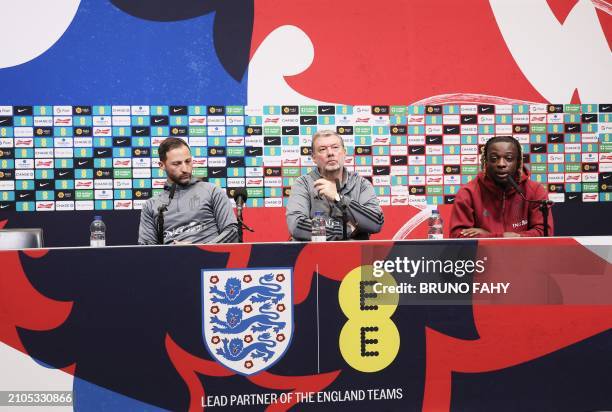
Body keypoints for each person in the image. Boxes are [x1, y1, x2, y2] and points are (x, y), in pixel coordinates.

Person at [286, 130, 384, 240]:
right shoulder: (303, 184)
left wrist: (339, 199)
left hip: (353, 254)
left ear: (344, 152)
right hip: (314, 254)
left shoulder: (361, 184)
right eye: (322, 149)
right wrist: (344, 230)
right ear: (313, 157)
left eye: (335, 147)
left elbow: (376, 222)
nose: (330, 153)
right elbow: (297, 225)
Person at [138, 138, 238, 244]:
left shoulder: (212, 191)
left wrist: (196, 251)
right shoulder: (150, 206)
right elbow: (146, 251)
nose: (185, 169)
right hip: (171, 259)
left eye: (188, 161)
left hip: (212, 258)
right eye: (177, 164)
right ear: (162, 165)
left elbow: (232, 232)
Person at [449, 135, 553, 238]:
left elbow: (544, 232)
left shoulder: (535, 191)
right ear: (486, 162)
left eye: (509, 158)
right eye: (494, 158)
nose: (501, 164)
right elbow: (457, 236)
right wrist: (501, 237)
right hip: (484, 254)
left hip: (525, 254)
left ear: (518, 162)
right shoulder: (468, 193)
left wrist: (490, 235)